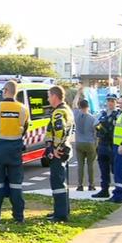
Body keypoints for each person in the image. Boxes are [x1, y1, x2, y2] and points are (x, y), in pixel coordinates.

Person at [0, 80, 29, 224]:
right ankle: (18, 217)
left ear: (5, 91)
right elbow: (25, 129)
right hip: (15, 150)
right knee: (16, 184)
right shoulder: (23, 109)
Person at [45, 85, 74, 222]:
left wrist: (56, 148)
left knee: (58, 183)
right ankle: (62, 210)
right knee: (63, 182)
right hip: (66, 149)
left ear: (55, 96)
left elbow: (60, 129)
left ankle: (60, 215)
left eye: (49, 96)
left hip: (60, 151)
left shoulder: (58, 113)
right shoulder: (66, 109)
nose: (48, 99)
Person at [92, 94, 119, 198]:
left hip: (112, 145)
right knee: (103, 169)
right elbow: (95, 125)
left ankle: (118, 190)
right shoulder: (102, 114)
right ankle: (104, 190)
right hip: (102, 144)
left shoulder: (118, 114)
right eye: (109, 101)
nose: (110, 103)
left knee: (115, 170)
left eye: (113, 101)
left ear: (116, 102)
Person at [73, 99, 97, 191]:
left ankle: (80, 185)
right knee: (90, 165)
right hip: (90, 143)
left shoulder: (76, 115)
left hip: (79, 142)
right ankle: (91, 185)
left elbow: (74, 104)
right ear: (88, 107)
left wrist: (78, 94)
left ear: (80, 107)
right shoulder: (93, 118)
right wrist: (96, 144)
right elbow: (96, 132)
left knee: (80, 165)